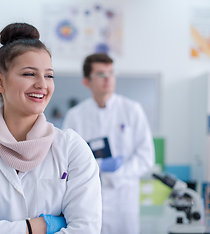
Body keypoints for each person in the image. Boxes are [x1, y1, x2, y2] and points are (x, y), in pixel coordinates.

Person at [0, 23, 102, 234]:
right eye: (29, 74)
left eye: (49, 75)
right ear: (0, 82)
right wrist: (38, 226)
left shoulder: (72, 148)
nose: (42, 84)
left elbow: (86, 230)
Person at [62, 53, 155, 234]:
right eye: (101, 74)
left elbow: (146, 157)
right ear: (86, 82)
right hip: (86, 199)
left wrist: (119, 174)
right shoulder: (76, 116)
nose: (108, 79)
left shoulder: (132, 110)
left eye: (111, 73)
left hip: (123, 200)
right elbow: (66, 159)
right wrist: (98, 166)